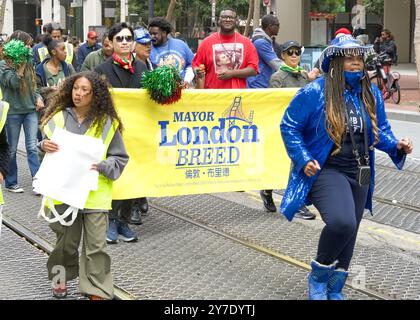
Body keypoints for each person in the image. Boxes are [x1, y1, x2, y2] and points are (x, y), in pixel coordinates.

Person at [280, 34, 413, 300]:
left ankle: (335, 287)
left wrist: (397, 145)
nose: (356, 63)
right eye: (349, 58)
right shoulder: (315, 91)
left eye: (359, 58)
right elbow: (289, 126)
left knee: (350, 231)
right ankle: (318, 276)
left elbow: (380, 131)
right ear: (336, 62)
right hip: (327, 169)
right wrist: (303, 158)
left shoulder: (371, 93)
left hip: (360, 171)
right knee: (341, 222)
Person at [40, 71, 128, 300]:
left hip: (94, 194)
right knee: (65, 244)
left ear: (95, 95)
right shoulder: (58, 117)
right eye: (76, 88)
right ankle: (60, 277)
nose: (78, 94)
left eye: (85, 91)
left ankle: (96, 288)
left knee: (96, 246)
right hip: (63, 192)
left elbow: (119, 158)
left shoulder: (108, 123)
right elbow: (43, 146)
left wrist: (104, 166)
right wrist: (43, 145)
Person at [95, 22, 148, 243]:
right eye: (120, 39)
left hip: (136, 132)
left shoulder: (143, 68)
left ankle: (123, 221)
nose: (124, 42)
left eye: (128, 38)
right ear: (110, 43)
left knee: (133, 175)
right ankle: (110, 220)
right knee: (113, 175)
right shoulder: (101, 71)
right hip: (111, 132)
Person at [260, 41, 316, 220]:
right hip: (284, 128)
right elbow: (273, 104)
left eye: (297, 52)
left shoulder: (304, 76)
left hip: (303, 128)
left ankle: (296, 203)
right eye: (289, 52)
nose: (294, 55)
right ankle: (267, 190)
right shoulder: (278, 77)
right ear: (282, 56)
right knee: (282, 163)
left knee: (297, 164)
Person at [0, 31, 44, 193]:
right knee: (11, 149)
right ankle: (11, 182)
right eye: (27, 44)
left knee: (32, 147)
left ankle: (38, 182)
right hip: (13, 112)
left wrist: (38, 97)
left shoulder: (29, 62)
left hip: (31, 110)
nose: (29, 47)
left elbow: (34, 84)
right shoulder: (4, 65)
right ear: (18, 45)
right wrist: (21, 66)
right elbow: (13, 83)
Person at [192, 8, 259, 89]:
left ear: (236, 21)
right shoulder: (206, 42)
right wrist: (197, 71)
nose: (228, 19)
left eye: (231, 17)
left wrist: (232, 73)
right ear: (219, 20)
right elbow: (196, 65)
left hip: (237, 96)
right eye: (224, 17)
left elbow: (253, 69)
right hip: (212, 96)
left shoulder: (246, 43)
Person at [148, 17, 195, 86]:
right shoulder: (148, 49)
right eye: (150, 34)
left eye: (155, 34)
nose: (152, 36)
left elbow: (192, 64)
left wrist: (187, 80)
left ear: (164, 33)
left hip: (182, 90)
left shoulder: (181, 45)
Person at [246, 14, 281, 89]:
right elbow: (276, 64)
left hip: (260, 84)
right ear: (270, 26)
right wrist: (294, 70)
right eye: (277, 25)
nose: (279, 28)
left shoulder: (265, 40)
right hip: (257, 85)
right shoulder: (261, 42)